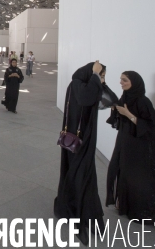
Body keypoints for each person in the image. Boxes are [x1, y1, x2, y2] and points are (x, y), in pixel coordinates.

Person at [105, 71, 155, 228]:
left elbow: (151, 127)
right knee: (124, 173)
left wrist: (128, 114)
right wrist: (116, 110)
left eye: (124, 80)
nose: (121, 82)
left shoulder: (143, 101)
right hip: (125, 142)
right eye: (120, 79)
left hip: (140, 147)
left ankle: (142, 212)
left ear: (134, 82)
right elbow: (118, 122)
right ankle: (126, 206)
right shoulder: (125, 97)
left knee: (139, 178)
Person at [54, 61, 106, 245]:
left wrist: (99, 80)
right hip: (79, 140)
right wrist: (95, 75)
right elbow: (86, 98)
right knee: (81, 173)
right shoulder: (78, 85)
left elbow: (108, 100)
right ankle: (75, 206)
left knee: (80, 172)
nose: (101, 78)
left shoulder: (81, 84)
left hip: (79, 139)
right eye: (101, 74)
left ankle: (73, 204)